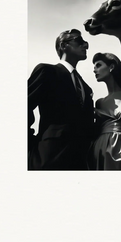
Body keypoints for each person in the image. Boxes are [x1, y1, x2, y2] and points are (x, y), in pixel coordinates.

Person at [28, 29, 94, 170]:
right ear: (64, 46)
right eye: (80, 41)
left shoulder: (86, 89)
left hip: (81, 163)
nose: (85, 46)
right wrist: (31, 146)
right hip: (48, 158)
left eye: (86, 43)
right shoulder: (47, 71)